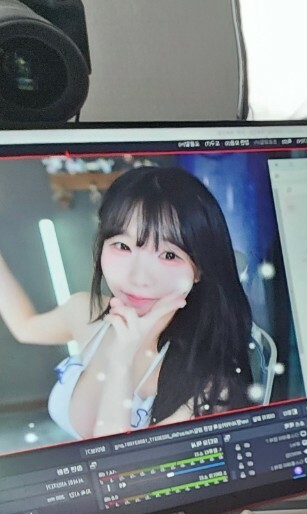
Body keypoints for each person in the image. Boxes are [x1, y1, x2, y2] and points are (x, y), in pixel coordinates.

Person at [0, 165, 255, 439]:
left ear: (199, 270)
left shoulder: (211, 385)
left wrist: (122, 358)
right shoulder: (88, 312)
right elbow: (25, 327)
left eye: (169, 255)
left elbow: (116, 462)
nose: (138, 277)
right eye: (123, 246)